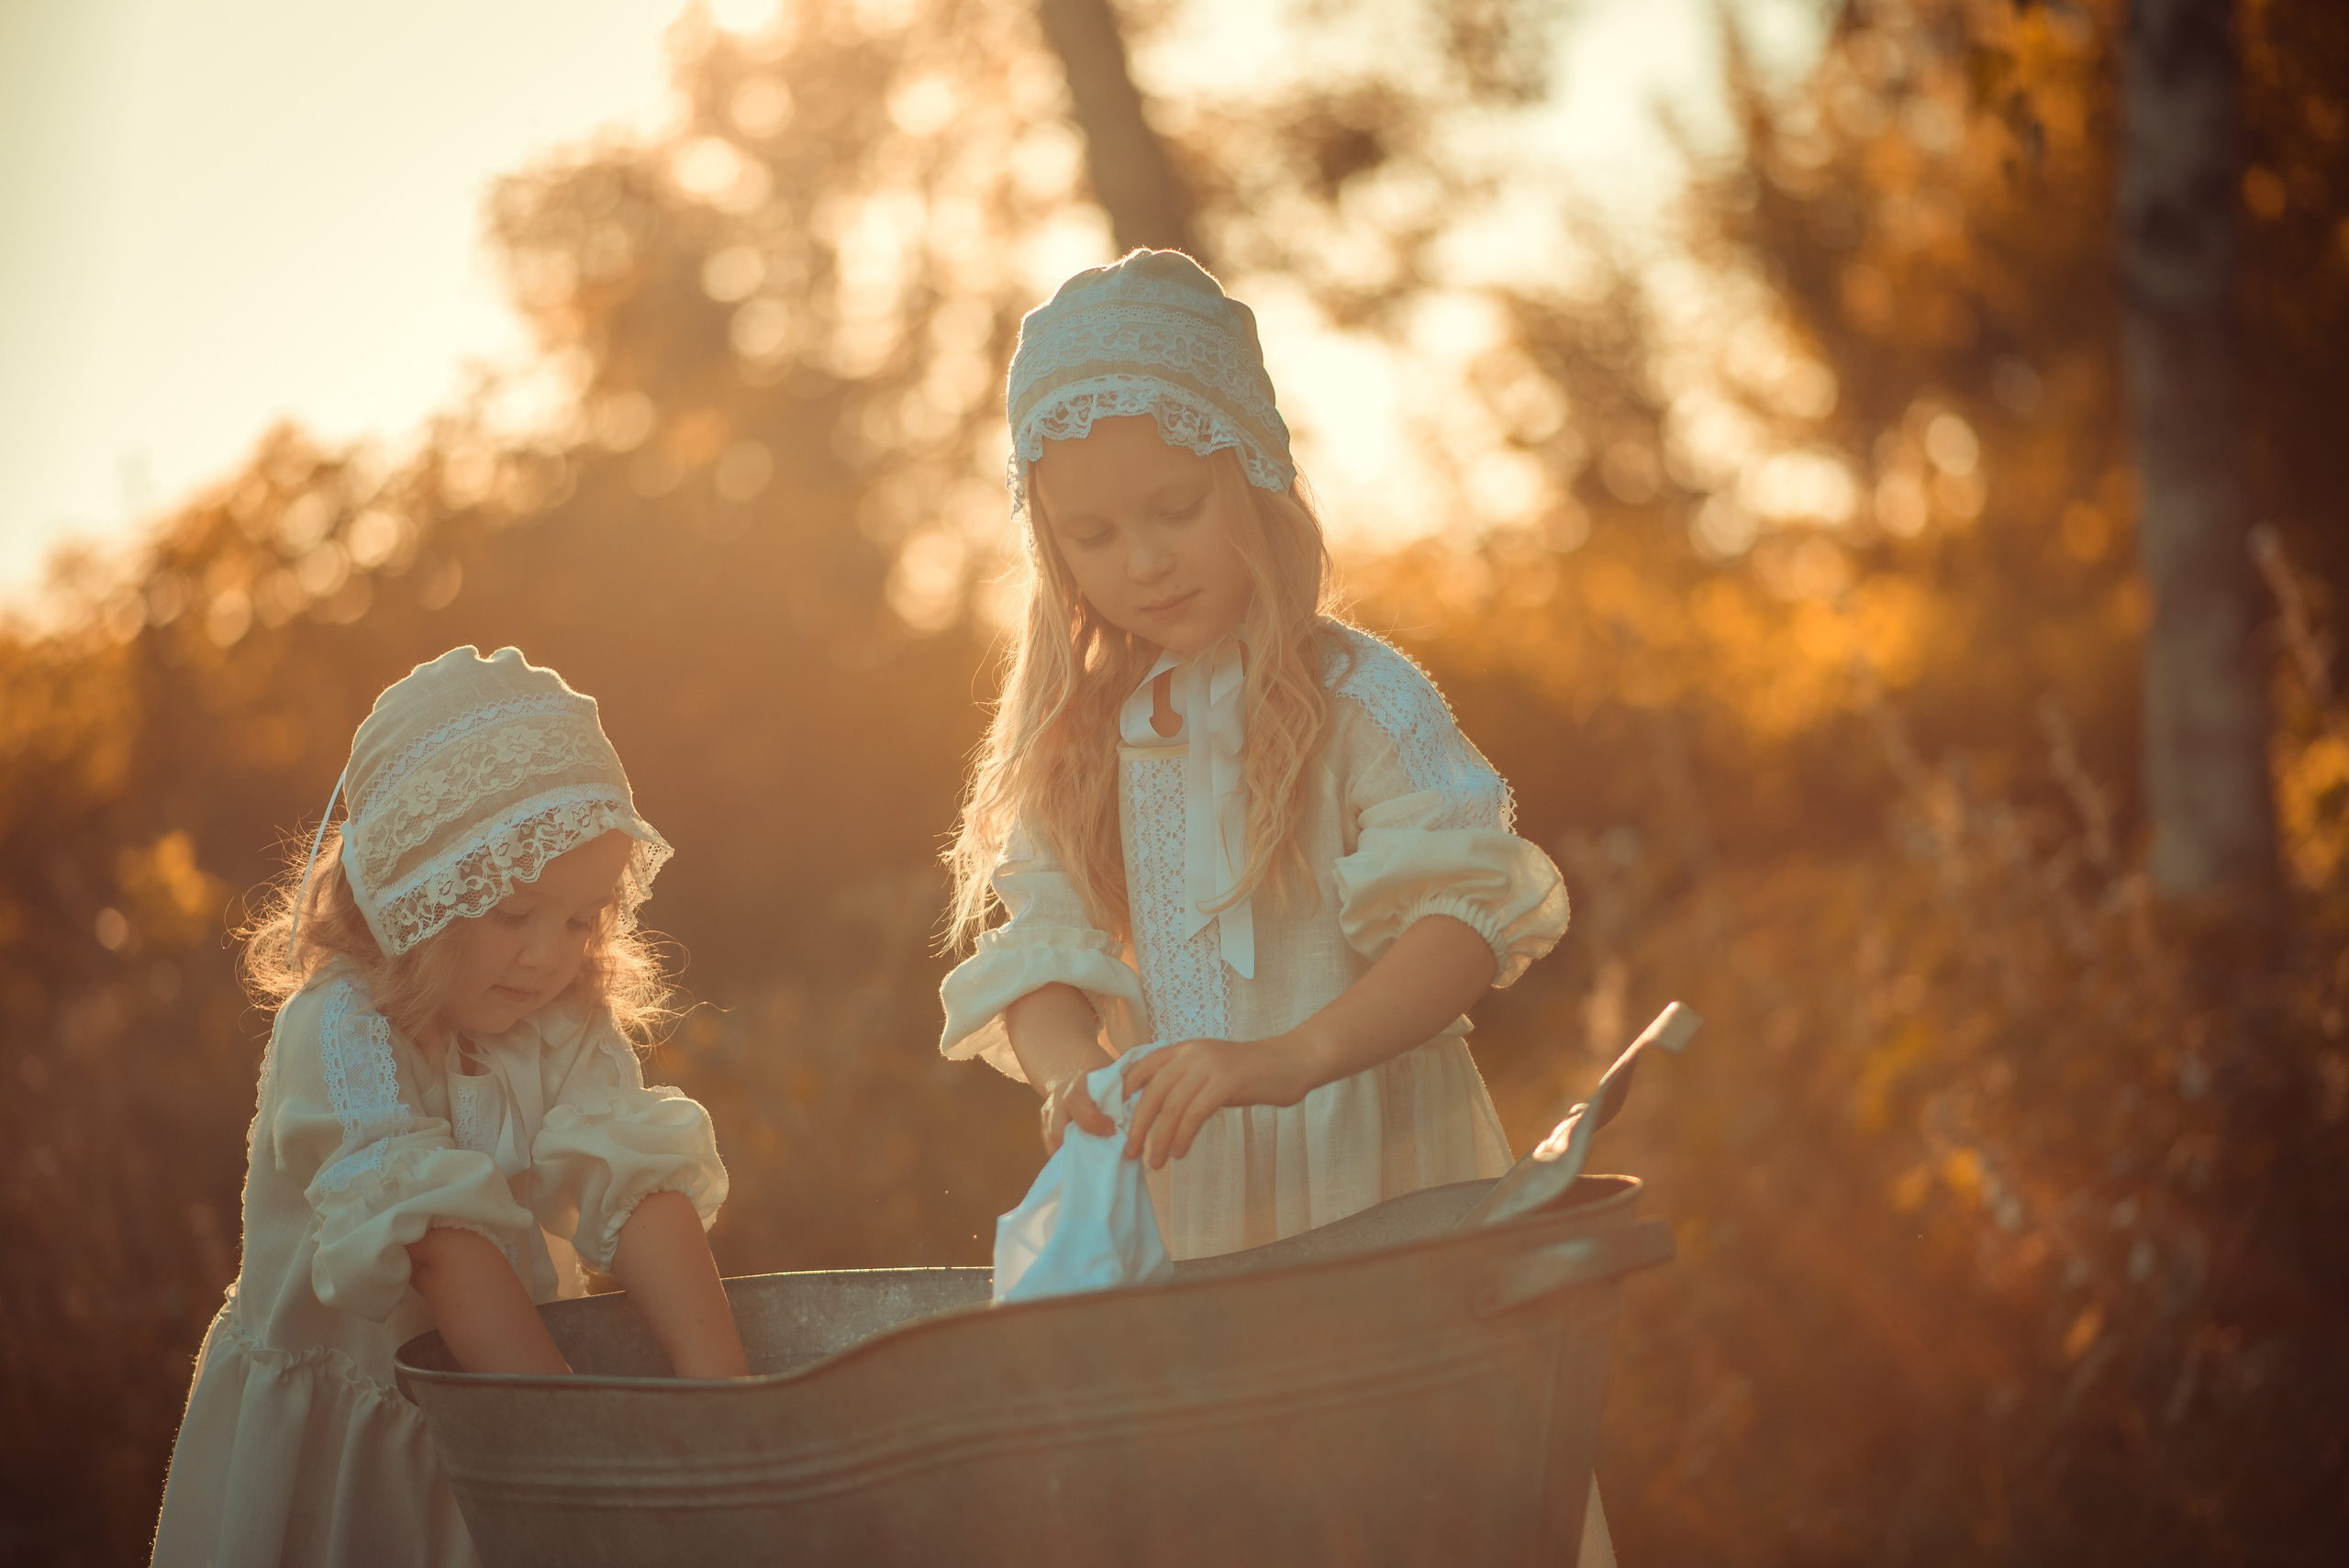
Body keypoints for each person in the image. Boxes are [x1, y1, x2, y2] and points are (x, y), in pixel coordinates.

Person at [941, 249, 1612, 1560]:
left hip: (1379, 1169)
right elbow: (1042, 956)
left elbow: (1461, 919)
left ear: (1251, 471)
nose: (1144, 560)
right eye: (1093, 535)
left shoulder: (1361, 700)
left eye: (1176, 507)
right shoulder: (1078, 743)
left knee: (1416, 1502)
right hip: (1185, 1185)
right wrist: (1076, 1078)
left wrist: (1292, 1056)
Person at [151, 646, 746, 1568]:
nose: (549, 954)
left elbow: (636, 1188)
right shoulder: (341, 1032)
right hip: (363, 1444)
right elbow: (435, 1240)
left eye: (579, 919)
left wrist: (726, 1401)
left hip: (510, 1398)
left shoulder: (562, 1020)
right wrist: (569, 1449)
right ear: (421, 890)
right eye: (514, 913)